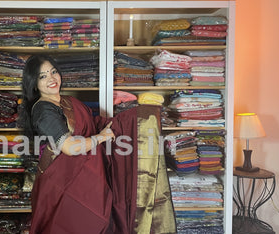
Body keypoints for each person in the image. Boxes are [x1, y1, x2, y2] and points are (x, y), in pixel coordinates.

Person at [21, 54, 176, 234]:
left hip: (87, 181)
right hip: (62, 188)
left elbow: (92, 125)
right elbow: (70, 147)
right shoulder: (44, 110)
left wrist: (128, 122)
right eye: (43, 76)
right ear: (34, 83)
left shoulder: (67, 102)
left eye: (53, 72)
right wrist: (101, 137)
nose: (51, 78)